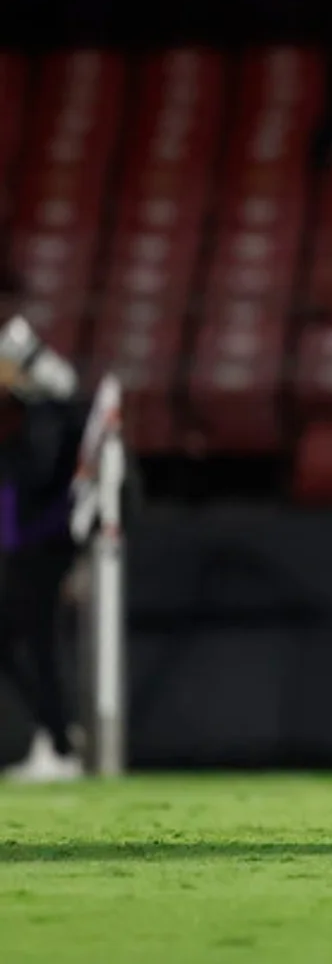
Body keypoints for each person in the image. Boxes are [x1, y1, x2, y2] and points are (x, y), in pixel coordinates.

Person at [0, 319, 86, 783]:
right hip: (29, 548)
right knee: (30, 647)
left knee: (41, 648)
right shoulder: (38, 415)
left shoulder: (51, 416)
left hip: (41, 549)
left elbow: (37, 476)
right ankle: (55, 734)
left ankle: (60, 741)